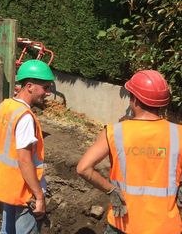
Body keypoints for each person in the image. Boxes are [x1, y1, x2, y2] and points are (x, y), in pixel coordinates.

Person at [76, 70, 181, 234]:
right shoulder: (178, 134)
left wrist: (110, 190)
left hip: (123, 223)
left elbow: (83, 168)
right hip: (165, 227)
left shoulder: (114, 132)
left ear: (135, 100)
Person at [0, 60, 54, 234]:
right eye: (45, 87)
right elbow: (24, 159)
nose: (48, 93)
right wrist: (39, 196)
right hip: (25, 191)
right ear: (30, 86)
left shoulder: (4, 107)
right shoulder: (25, 117)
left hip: (7, 186)